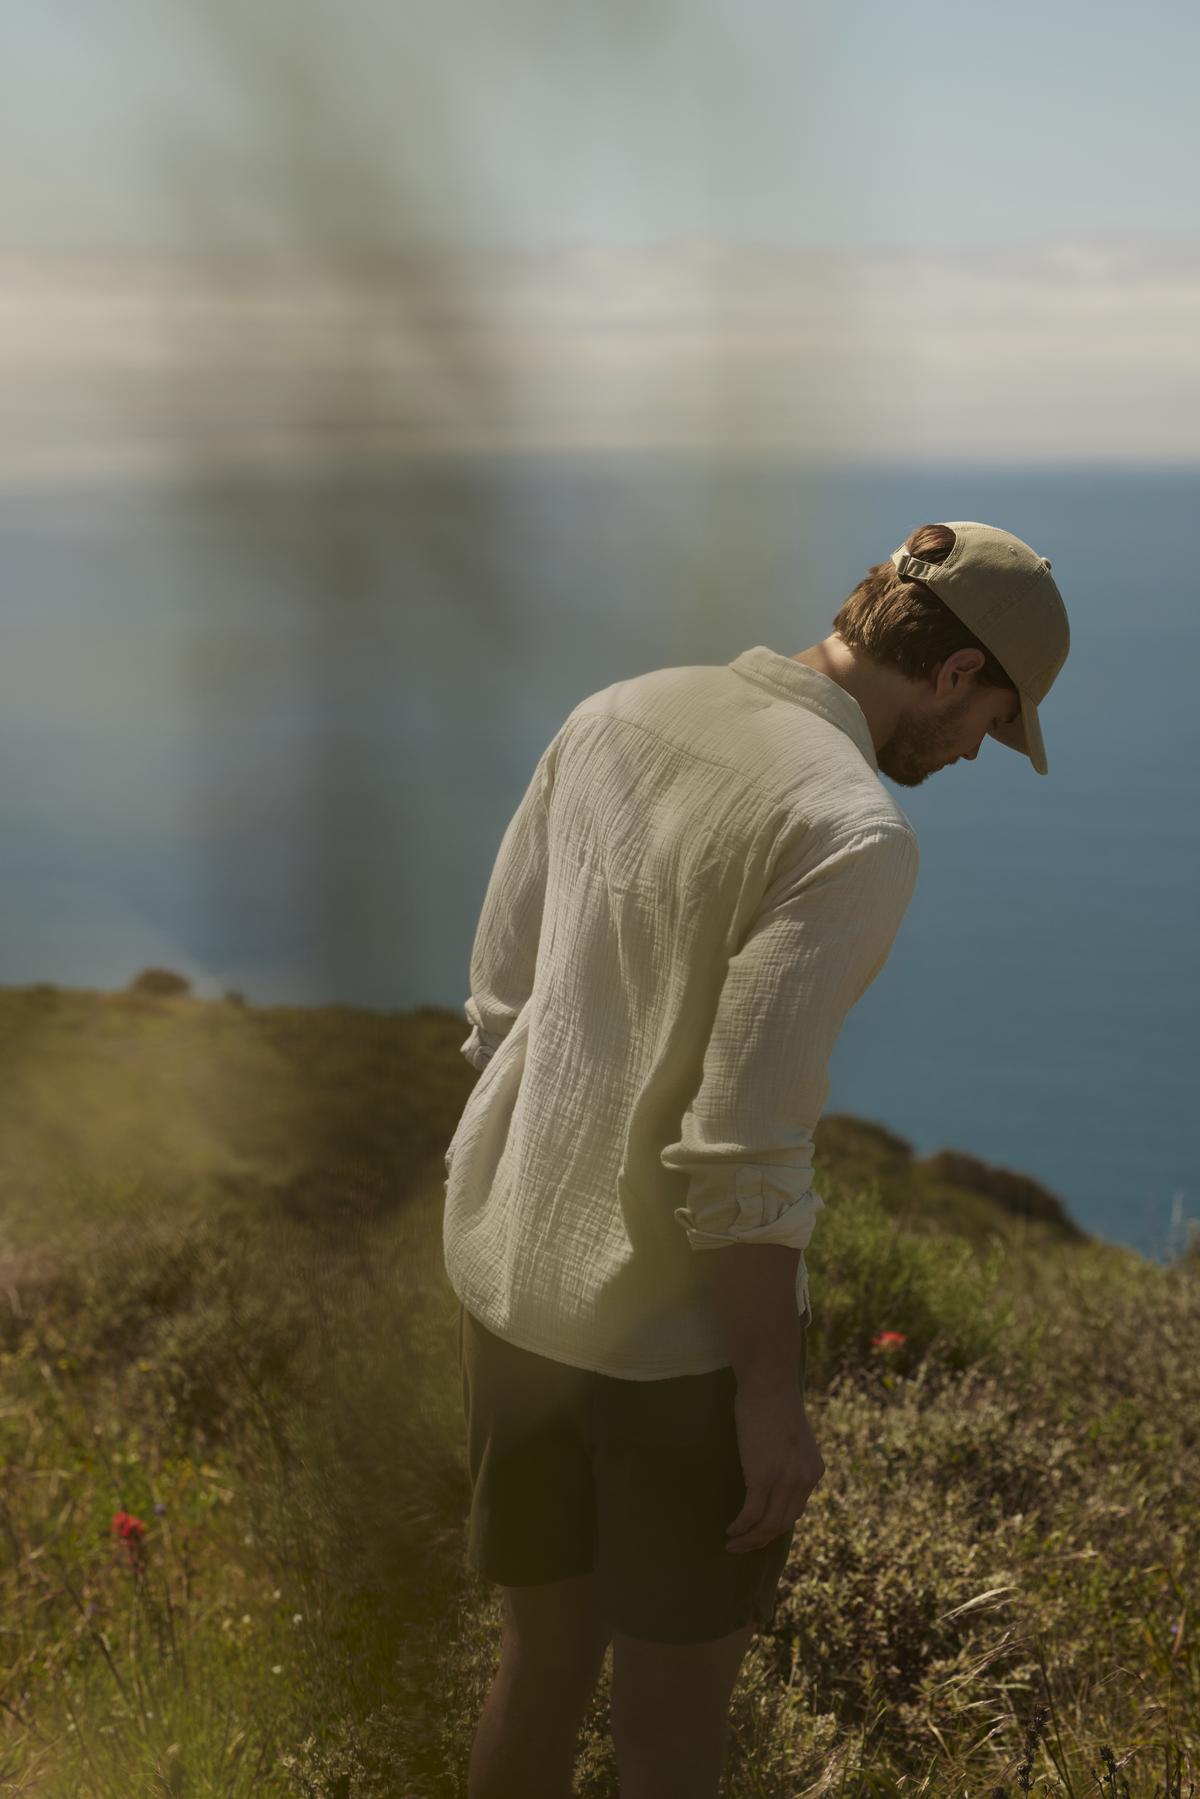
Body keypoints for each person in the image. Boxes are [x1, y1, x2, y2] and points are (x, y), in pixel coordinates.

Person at [442, 519, 1070, 1798]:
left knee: (539, 1664)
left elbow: (500, 1008)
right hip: (672, 1344)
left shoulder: (616, 712)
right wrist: (770, 1399)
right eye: (993, 722)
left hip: (508, 1290)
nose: (971, 753)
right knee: (673, 1730)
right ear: (954, 675)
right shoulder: (848, 827)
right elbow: (740, 1147)